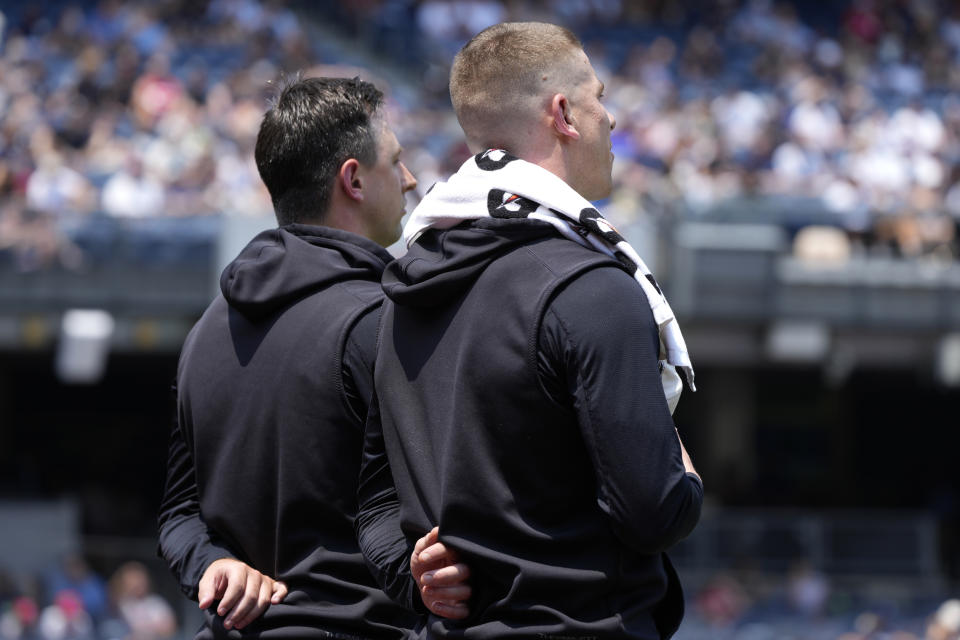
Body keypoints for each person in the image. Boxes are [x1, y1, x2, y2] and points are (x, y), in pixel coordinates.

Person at [357, 22, 702, 639]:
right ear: (564, 114)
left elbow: (376, 507)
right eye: (599, 98)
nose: (613, 119)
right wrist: (685, 479)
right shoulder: (592, 289)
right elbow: (652, 512)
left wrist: (414, 575)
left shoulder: (400, 292)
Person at [158, 76, 470, 639]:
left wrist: (212, 565)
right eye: (395, 162)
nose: (410, 179)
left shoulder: (205, 329)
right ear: (352, 179)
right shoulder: (386, 322)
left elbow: (179, 516)